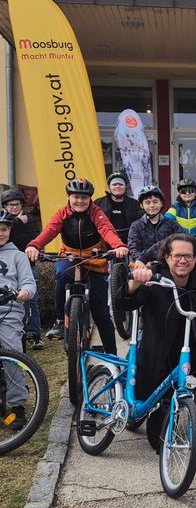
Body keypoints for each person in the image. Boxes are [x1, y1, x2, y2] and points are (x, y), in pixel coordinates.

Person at [122, 233, 196, 449]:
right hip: (160, 357)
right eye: (177, 255)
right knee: (157, 440)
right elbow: (125, 302)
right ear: (167, 257)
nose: (183, 260)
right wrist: (135, 282)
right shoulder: (155, 277)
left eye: (188, 256)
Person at [25, 179, 128, 354]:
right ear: (68, 196)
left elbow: (106, 230)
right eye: (76, 197)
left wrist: (118, 246)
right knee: (63, 276)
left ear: (90, 199)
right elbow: (50, 230)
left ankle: (113, 356)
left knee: (101, 313)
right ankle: (59, 320)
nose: (80, 201)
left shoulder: (97, 213)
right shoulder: (62, 214)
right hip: (70, 257)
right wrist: (35, 245)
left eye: (84, 197)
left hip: (94, 260)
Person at [0, 210, 38, 430]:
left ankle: (18, 408)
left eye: (3, 230)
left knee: (12, 354)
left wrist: (24, 292)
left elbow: (29, 283)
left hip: (9, 310)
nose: (0, 234)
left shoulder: (18, 256)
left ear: (9, 230)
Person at [2, 188, 42, 347]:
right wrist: (18, 223)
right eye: (11, 205)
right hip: (9, 262)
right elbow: (12, 237)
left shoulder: (29, 219)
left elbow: (29, 239)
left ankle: (35, 333)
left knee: (32, 299)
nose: (14, 208)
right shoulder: (12, 220)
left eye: (17, 204)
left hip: (24, 262)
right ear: (5, 206)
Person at [126, 185, 181, 261]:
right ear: (142, 205)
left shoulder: (171, 224)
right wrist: (142, 261)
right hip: (145, 266)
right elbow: (133, 248)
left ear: (161, 203)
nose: (152, 205)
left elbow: (182, 240)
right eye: (147, 203)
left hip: (168, 265)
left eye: (155, 202)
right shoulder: (136, 226)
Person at [94, 172, 142, 244]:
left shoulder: (135, 204)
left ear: (125, 187)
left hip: (129, 241)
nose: (117, 186)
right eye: (114, 184)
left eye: (120, 184)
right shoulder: (98, 203)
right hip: (105, 241)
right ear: (109, 188)